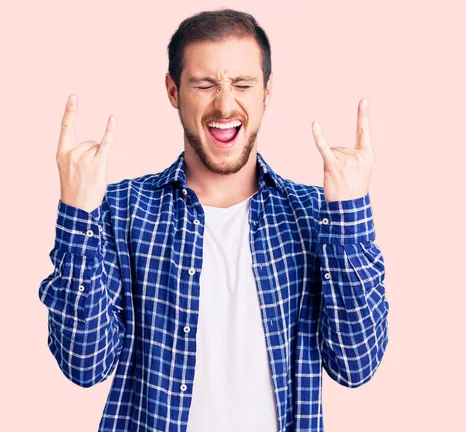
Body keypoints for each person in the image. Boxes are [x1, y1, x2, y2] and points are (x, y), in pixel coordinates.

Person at [38, 7, 389, 432]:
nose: (224, 104)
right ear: (173, 91)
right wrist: (78, 213)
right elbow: (84, 364)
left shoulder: (316, 216)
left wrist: (349, 217)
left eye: (242, 83)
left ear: (267, 91)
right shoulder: (123, 210)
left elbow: (356, 365)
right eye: (204, 84)